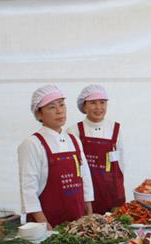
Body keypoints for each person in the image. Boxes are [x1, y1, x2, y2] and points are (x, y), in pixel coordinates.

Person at [18, 85, 94, 228]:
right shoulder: (32, 143)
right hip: (47, 223)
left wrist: (88, 209)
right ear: (39, 114)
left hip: (77, 220)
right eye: (52, 107)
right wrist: (44, 224)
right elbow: (28, 188)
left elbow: (84, 176)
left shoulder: (74, 140)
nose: (59, 111)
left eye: (61, 105)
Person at [68, 85, 125, 214]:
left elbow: (121, 162)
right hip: (87, 192)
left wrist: (118, 189)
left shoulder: (116, 128)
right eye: (93, 103)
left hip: (112, 192)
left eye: (102, 102)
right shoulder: (74, 130)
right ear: (84, 106)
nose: (99, 107)